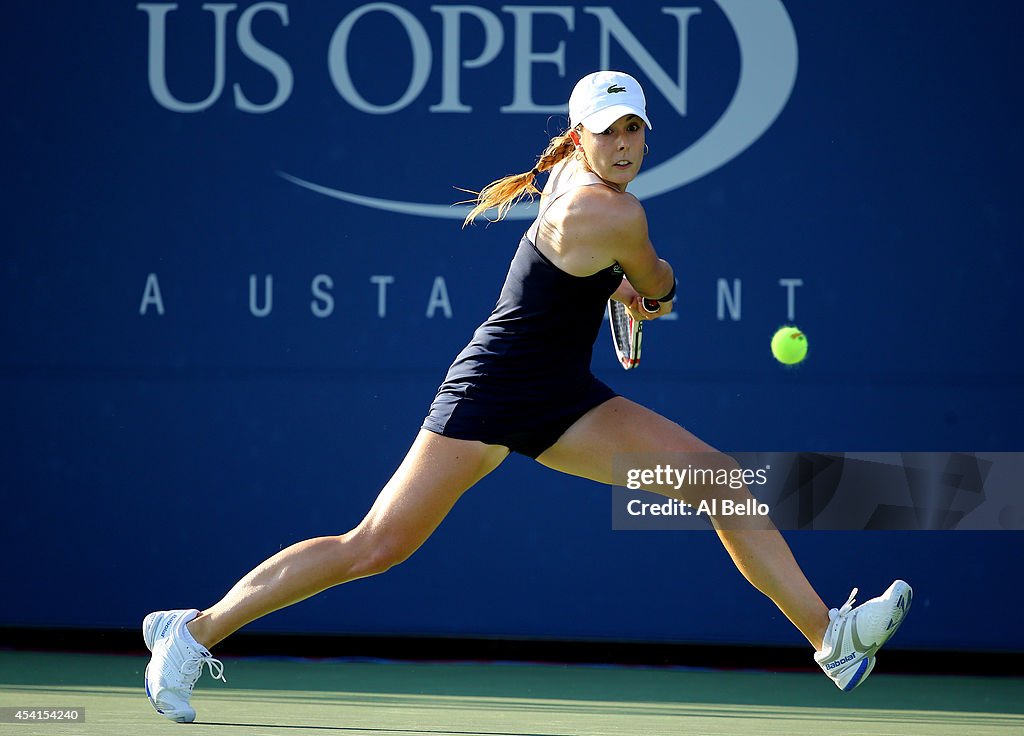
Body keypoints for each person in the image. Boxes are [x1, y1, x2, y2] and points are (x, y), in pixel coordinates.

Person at [143, 71, 912, 723]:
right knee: (373, 546)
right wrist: (650, 293)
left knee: (717, 480)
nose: (623, 145)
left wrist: (618, 288)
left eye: (634, 130)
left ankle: (830, 638)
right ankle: (194, 632)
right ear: (579, 138)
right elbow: (659, 286)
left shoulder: (576, 180)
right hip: (492, 390)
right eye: (607, 132)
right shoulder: (612, 211)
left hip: (564, 397)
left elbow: (604, 278)